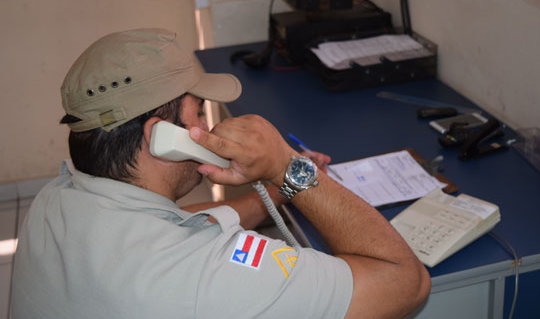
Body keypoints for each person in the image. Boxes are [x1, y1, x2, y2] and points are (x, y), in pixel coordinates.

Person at [12, 28, 430, 319]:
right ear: (163, 138)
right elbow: (405, 284)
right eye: (198, 110)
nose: (209, 128)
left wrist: (281, 190)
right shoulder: (203, 277)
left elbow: (190, 232)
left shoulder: (56, 199)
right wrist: (291, 165)